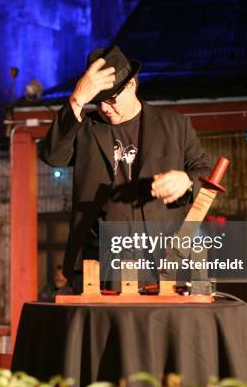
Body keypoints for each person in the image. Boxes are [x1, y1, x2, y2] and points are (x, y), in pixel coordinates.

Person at [40, 46, 211, 290]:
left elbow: (205, 171)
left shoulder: (175, 125)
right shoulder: (85, 129)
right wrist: (76, 100)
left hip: (163, 256)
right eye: (97, 103)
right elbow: (52, 156)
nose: (105, 109)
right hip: (101, 257)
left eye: (110, 100)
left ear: (132, 84)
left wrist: (187, 180)